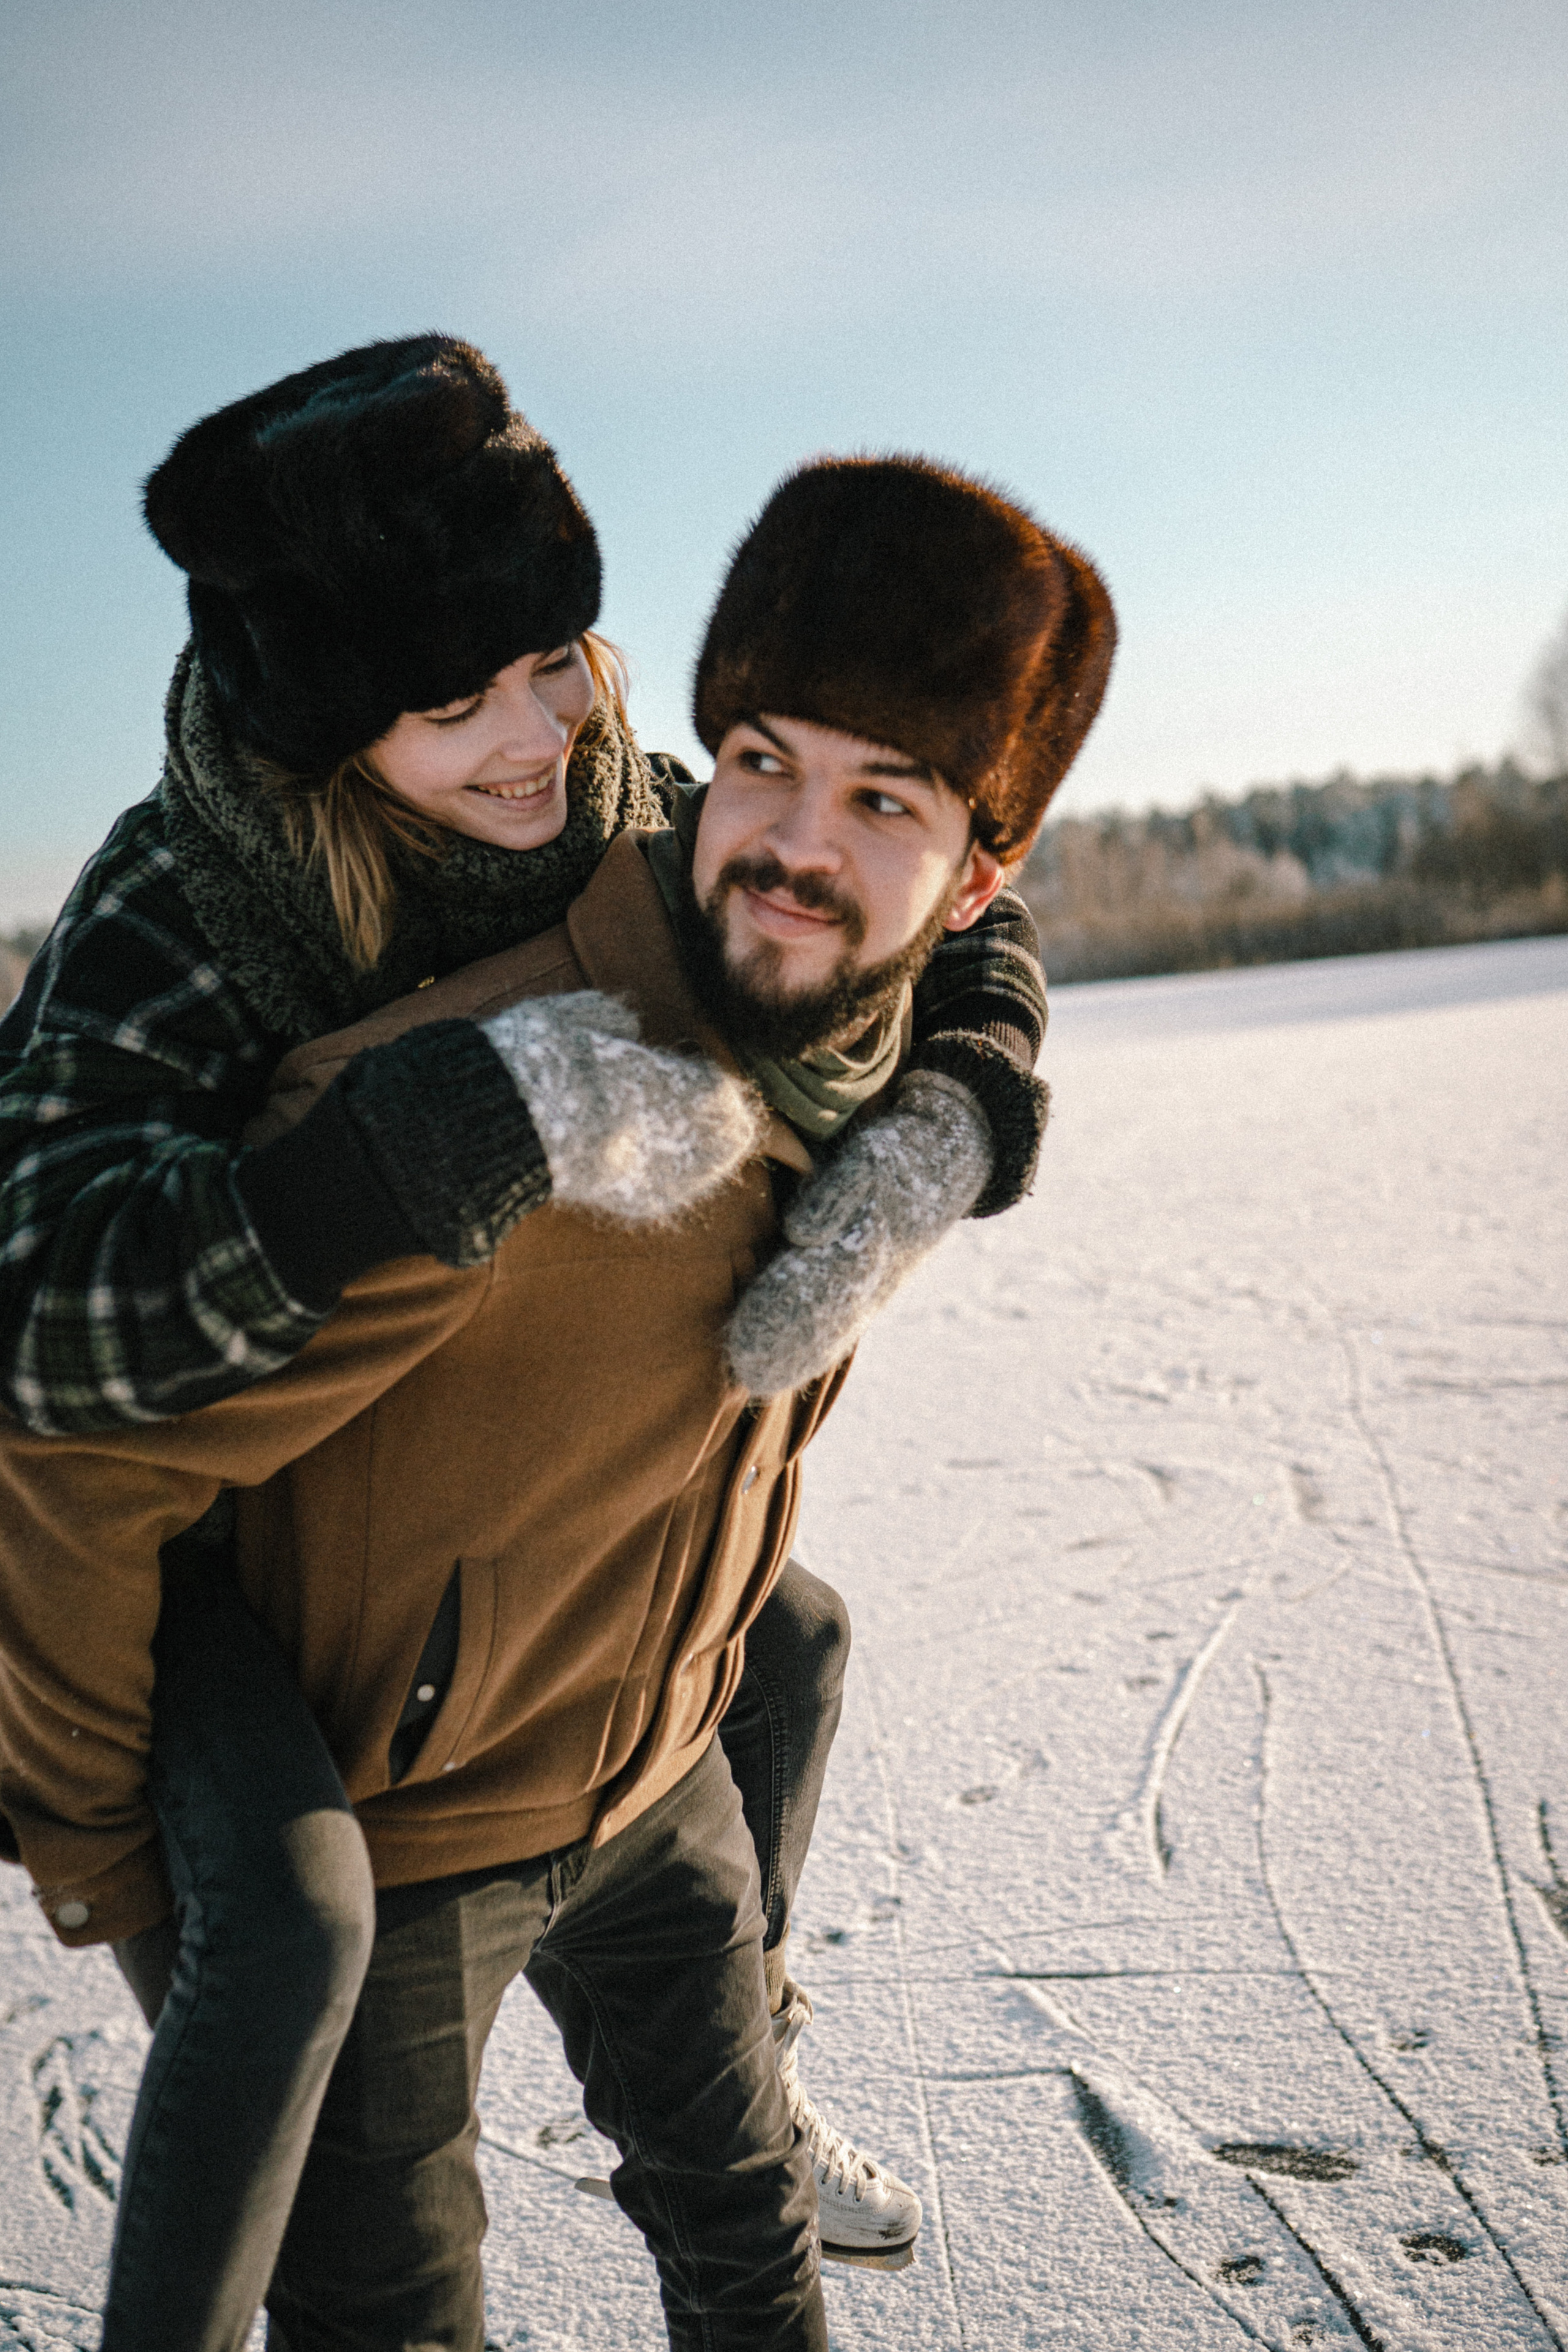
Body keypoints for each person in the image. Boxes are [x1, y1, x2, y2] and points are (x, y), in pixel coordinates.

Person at [0, 344, 1072, 2342]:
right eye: (449, 701)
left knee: (795, 1638)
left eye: (558, 656)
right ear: (327, 730)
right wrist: (432, 1143)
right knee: (307, 1962)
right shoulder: (181, 912)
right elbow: (48, 1334)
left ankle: (751, 2033)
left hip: (534, 1577)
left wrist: (968, 1098)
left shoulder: (617, 797)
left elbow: (915, 877)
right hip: (255, 1574)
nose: (535, 737)